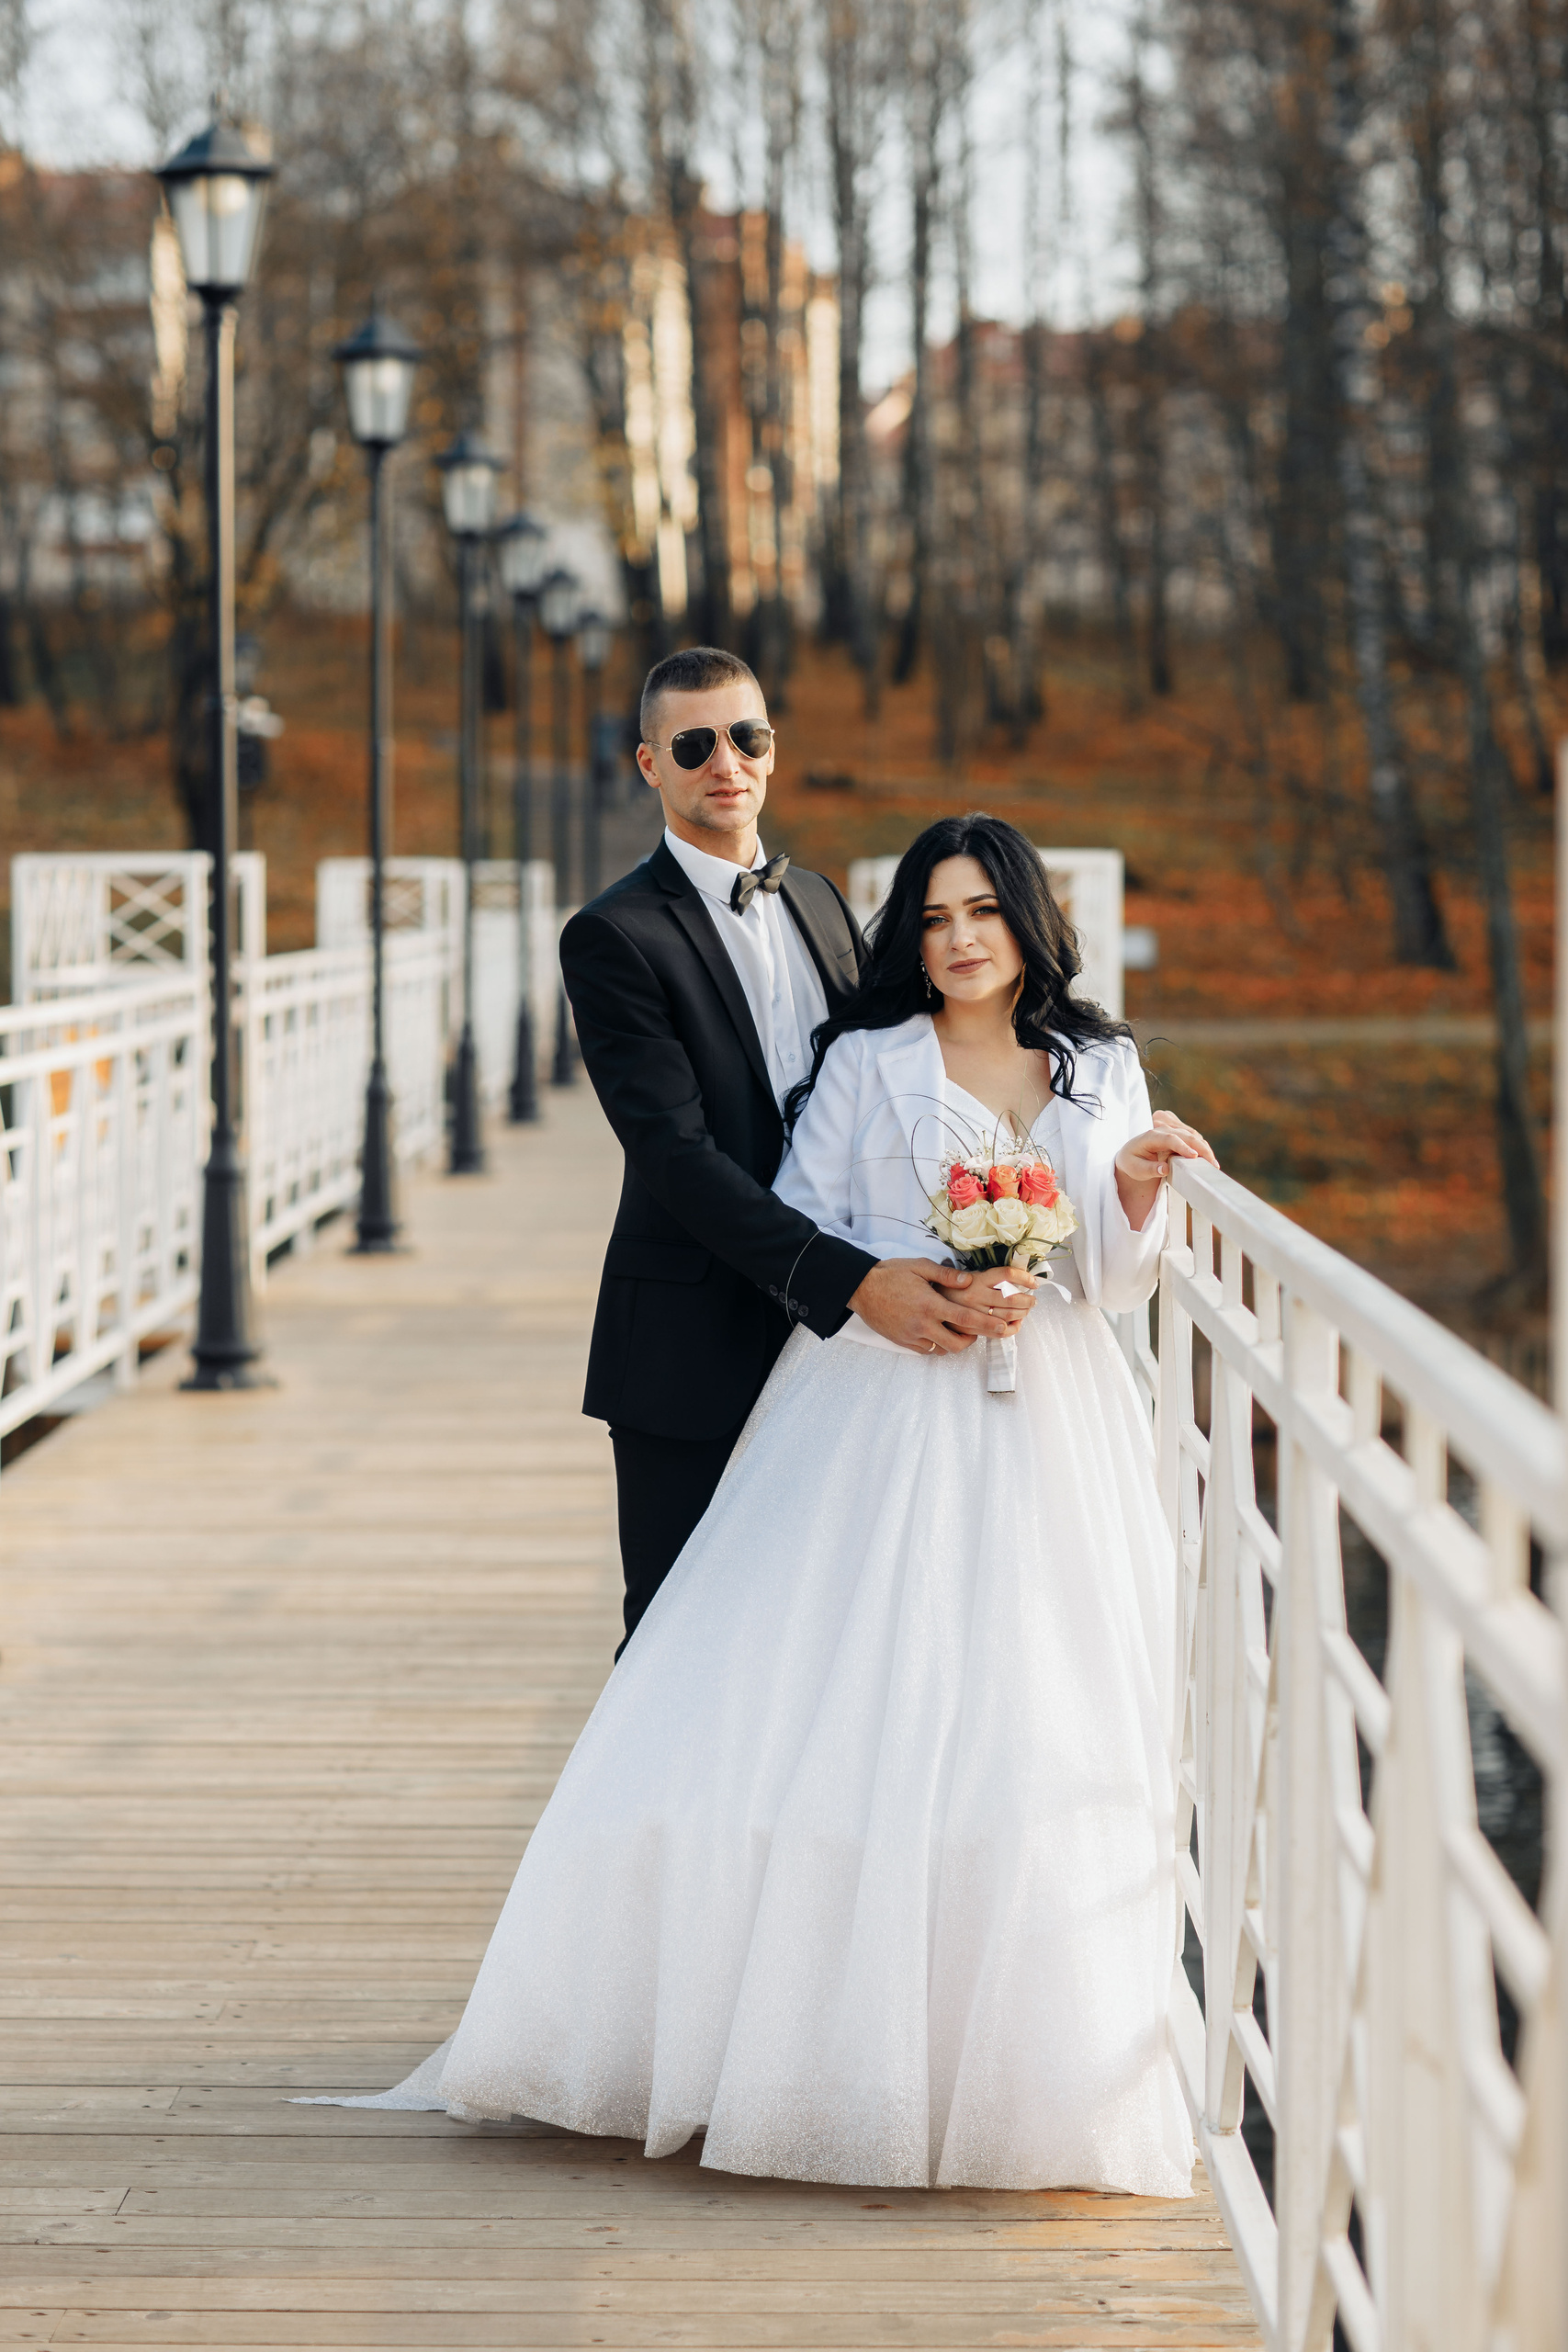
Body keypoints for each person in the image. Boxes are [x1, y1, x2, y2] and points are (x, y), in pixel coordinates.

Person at [312, 814, 1218, 2195]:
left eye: (981, 911)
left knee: (1031, 1714)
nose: (958, 938)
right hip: (880, 1398)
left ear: (1028, 923)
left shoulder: (1099, 1066)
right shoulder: (865, 1061)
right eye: (930, 917)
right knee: (840, 1699)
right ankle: (804, 2050)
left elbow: (1103, 1275)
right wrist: (908, 1287)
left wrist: (1138, 1197)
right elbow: (805, 1213)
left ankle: (1011, 2066)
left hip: (1050, 1421)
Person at [558, 647, 1033, 1651]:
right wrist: (853, 1280)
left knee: (824, 1639)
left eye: (747, 736)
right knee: (680, 1638)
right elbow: (674, 1155)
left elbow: (922, 1059)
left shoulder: (817, 899)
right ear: (650, 765)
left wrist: (1110, 1124)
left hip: (846, 1359)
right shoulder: (612, 936)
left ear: (772, 750)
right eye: (693, 744)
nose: (724, 761)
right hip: (696, 1338)